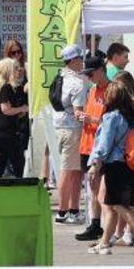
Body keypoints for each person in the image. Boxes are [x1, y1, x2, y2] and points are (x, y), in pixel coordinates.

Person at [87, 79, 134, 256]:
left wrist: (95, 164)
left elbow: (104, 144)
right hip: (130, 164)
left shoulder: (111, 117)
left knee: (119, 205)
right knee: (113, 204)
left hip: (116, 164)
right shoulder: (133, 118)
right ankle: (104, 243)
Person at [75, 54, 111, 242]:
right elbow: (91, 115)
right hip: (87, 144)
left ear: (101, 70)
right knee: (94, 189)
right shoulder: (92, 90)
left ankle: (108, 228)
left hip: (101, 147)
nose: (89, 77)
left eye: (91, 74)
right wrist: (82, 116)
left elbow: (112, 122)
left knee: (104, 190)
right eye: (87, 74)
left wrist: (91, 119)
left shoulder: (111, 91)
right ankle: (96, 224)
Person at [53, 45, 89, 225]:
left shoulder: (60, 76)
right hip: (73, 129)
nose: (83, 61)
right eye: (81, 58)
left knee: (75, 170)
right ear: (74, 60)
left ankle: (74, 210)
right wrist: (95, 119)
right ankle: (62, 212)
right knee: (68, 170)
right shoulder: (77, 83)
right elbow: (78, 112)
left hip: (60, 126)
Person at [0, 58, 29, 178]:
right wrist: (22, 109)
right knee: (18, 161)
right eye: (15, 68)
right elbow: (5, 109)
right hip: (6, 130)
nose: (19, 70)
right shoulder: (6, 87)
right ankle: (21, 184)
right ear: (7, 71)